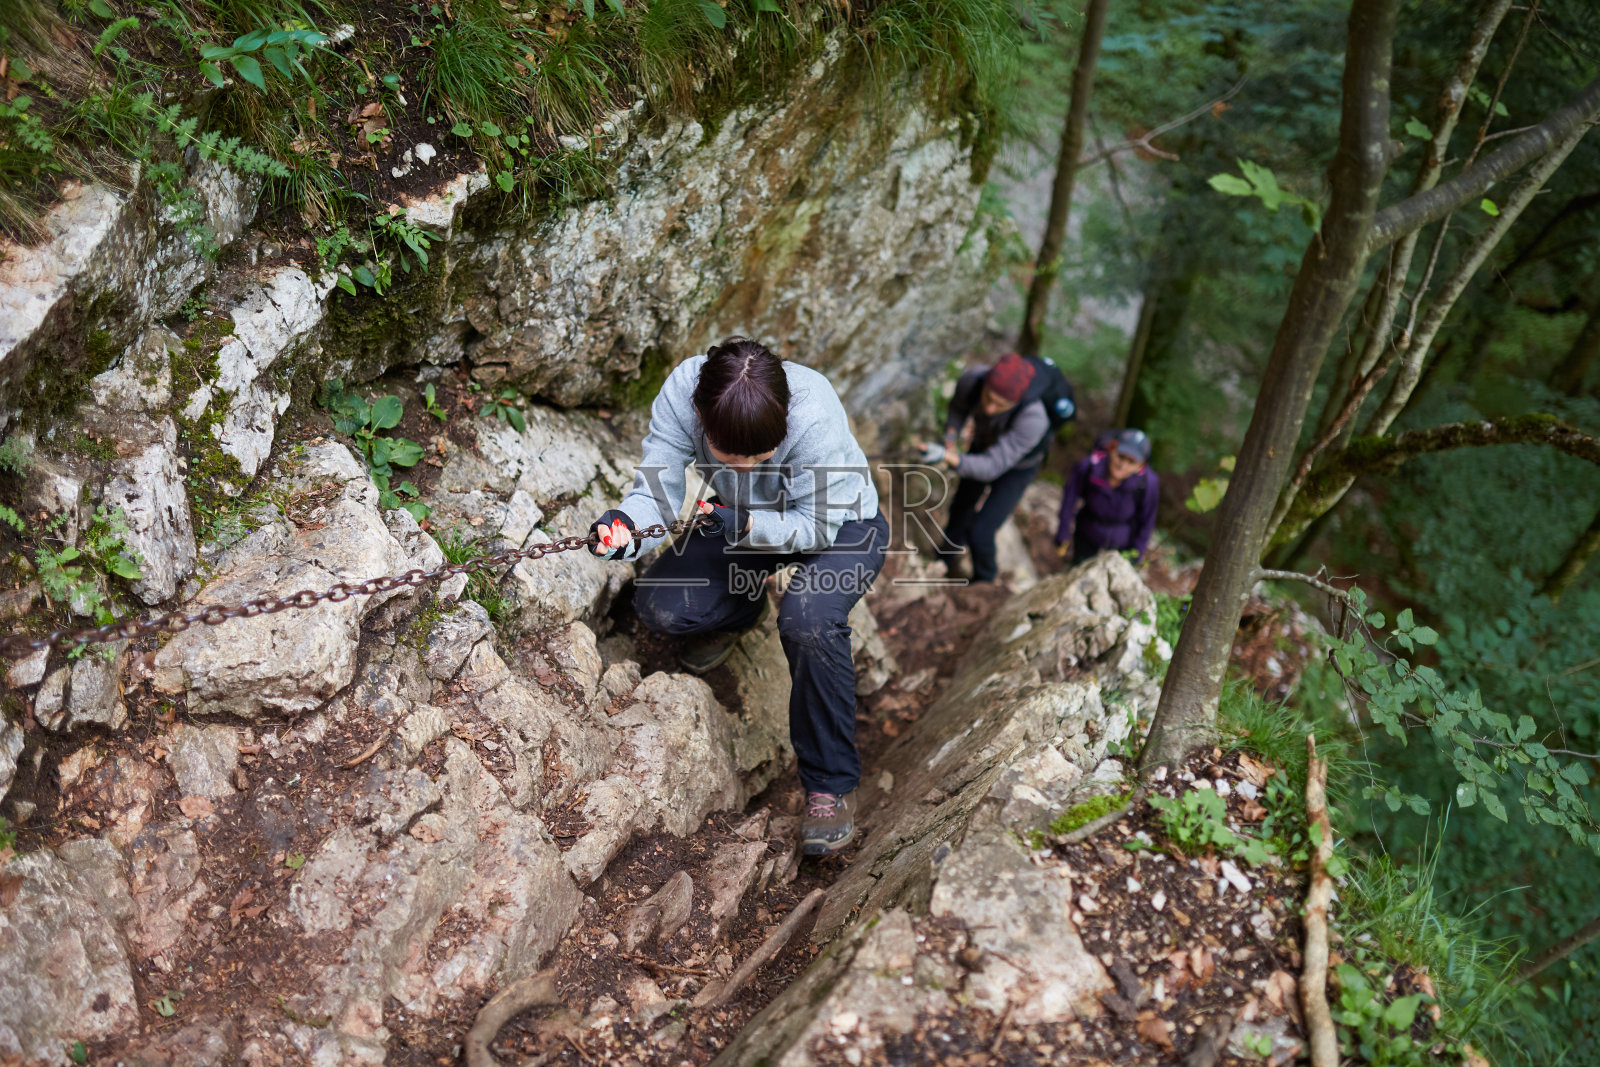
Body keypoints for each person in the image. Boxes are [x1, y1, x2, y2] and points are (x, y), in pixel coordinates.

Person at [587, 337, 887, 857]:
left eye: (760, 455)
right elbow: (657, 492)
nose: (745, 465)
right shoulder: (685, 393)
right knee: (660, 606)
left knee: (809, 618)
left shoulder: (813, 413)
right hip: (736, 517)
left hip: (840, 523)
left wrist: (742, 521)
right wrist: (627, 526)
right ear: (703, 422)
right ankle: (742, 610)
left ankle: (830, 786)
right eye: (731, 455)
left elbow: (816, 527)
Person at [917, 352, 1052, 583]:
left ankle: (984, 582)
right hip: (984, 445)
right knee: (960, 508)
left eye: (1001, 405)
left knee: (982, 531)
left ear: (1017, 401)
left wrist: (949, 457)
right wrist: (950, 436)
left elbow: (991, 467)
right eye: (988, 397)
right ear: (985, 383)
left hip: (1018, 467)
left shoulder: (1034, 419)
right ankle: (943, 562)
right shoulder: (972, 380)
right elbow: (958, 409)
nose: (989, 409)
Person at [1055, 427, 1159, 565]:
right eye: (1121, 456)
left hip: (1122, 544)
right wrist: (1063, 532)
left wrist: (1136, 554)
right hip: (1086, 534)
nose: (1123, 465)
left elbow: (1147, 520)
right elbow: (1070, 498)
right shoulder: (1090, 466)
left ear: (1141, 466)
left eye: (1131, 462)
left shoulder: (1147, 484)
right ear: (1112, 448)